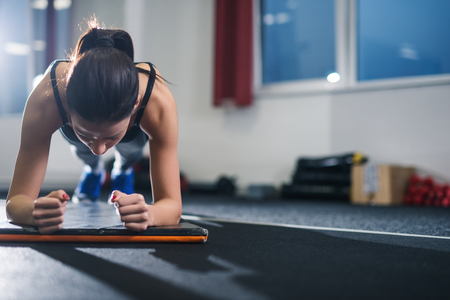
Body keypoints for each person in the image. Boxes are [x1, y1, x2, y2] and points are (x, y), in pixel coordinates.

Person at [5, 19, 182, 234]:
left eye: (110, 138)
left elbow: (172, 206)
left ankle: (123, 169)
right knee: (83, 149)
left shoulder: (156, 99)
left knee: (131, 150)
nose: (100, 149)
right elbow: (15, 202)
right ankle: (92, 169)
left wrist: (149, 213)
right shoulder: (47, 98)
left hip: (132, 132)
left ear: (135, 104)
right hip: (76, 118)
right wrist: (33, 211)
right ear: (68, 108)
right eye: (86, 134)